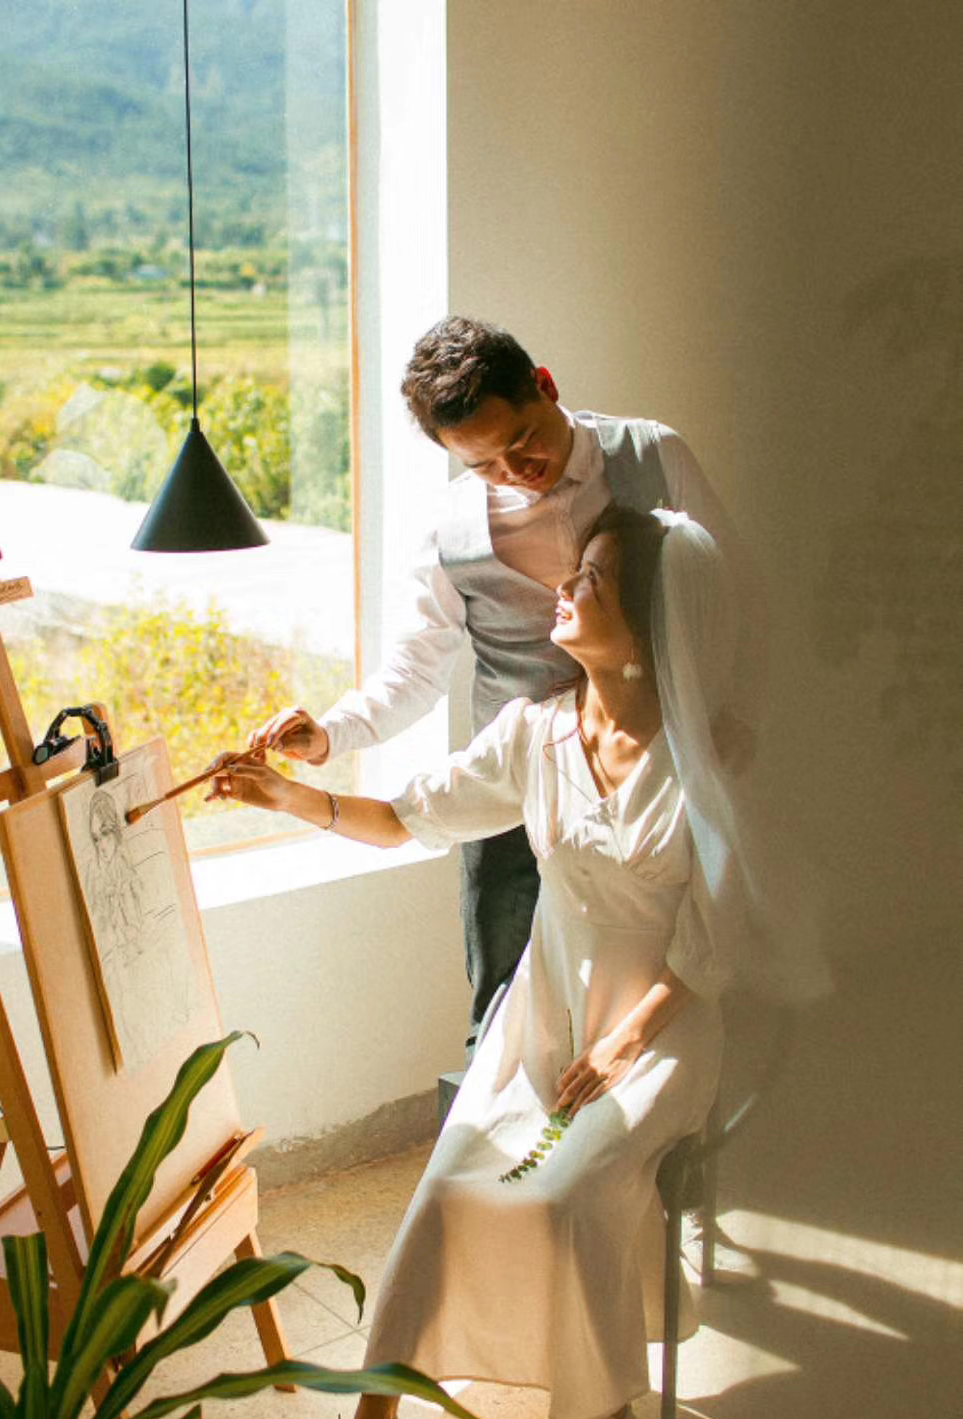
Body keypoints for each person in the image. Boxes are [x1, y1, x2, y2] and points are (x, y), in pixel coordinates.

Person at [210, 504, 747, 1419]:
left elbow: (714, 941)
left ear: (650, 626)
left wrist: (621, 1046)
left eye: (593, 579)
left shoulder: (705, 758)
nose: (564, 589)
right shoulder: (534, 733)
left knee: (570, 1202)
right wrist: (289, 796)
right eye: (574, 571)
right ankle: (376, 1405)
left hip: (657, 1030)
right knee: (442, 1198)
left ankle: (600, 1403)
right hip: (542, 1019)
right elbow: (407, 817)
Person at [250, 315, 759, 1054]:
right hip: (518, 776)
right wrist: (332, 734)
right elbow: (416, 668)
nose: (516, 472)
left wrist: (730, 719)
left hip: (659, 769)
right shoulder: (446, 528)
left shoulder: (654, 454)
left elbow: (727, 595)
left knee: (678, 976)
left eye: (522, 444)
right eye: (484, 466)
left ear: (544, 387)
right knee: (503, 1000)